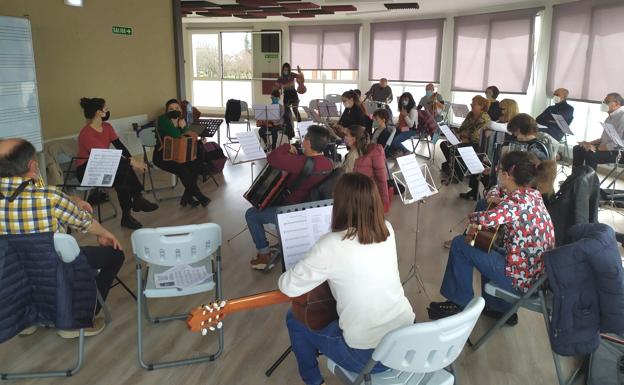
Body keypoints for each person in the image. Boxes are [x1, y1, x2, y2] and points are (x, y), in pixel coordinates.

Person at [279, 173, 414, 385]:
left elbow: (288, 287)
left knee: (294, 319)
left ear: (339, 204)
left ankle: (313, 380)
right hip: (407, 340)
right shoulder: (386, 229)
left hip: (369, 358)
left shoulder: (330, 244)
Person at [0, 138, 125, 337]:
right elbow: (84, 222)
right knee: (115, 255)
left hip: (14, 274)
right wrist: (105, 234)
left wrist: (72, 199)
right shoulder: (48, 198)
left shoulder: (43, 194)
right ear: (33, 166)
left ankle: (28, 318)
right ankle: (80, 319)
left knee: (23, 262)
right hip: (54, 266)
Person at [429, 151, 555, 324]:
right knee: (485, 245)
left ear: (506, 175)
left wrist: (473, 215)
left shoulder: (516, 202)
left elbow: (486, 218)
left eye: (499, 170)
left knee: (459, 244)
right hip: (534, 274)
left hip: (520, 279)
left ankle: (459, 304)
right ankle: (499, 308)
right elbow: (495, 192)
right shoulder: (532, 194)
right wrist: (497, 196)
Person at [245, 125, 333, 270]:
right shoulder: (328, 163)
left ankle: (264, 255)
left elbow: (272, 158)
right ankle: (283, 243)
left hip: (291, 211)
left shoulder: (301, 163)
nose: (303, 140)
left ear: (308, 143)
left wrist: (288, 146)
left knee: (251, 214)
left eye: (305, 138)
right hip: (311, 209)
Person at [76, 97, 158, 230]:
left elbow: (120, 146)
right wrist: (134, 163)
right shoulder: (86, 133)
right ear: (98, 113)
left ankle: (130, 211)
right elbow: (104, 156)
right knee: (123, 168)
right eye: (105, 108)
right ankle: (136, 200)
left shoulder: (107, 127)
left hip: (104, 165)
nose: (107, 110)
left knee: (123, 175)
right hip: (87, 170)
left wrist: (133, 160)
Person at [154, 99, 210, 207]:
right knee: (183, 169)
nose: (174, 110)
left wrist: (197, 139)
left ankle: (186, 197)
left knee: (195, 165)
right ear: (166, 111)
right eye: (171, 109)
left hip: (180, 153)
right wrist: (181, 127)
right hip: (163, 155)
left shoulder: (182, 119)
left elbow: (187, 137)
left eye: (176, 108)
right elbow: (177, 135)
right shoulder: (163, 120)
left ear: (180, 110)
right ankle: (199, 196)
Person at [441, 95, 491, 185]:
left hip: (476, 143)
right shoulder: (471, 114)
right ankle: (453, 168)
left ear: (481, 106)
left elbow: (476, 136)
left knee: (456, 149)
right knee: (444, 144)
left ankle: (457, 175)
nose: (471, 104)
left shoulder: (484, 118)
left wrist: (463, 138)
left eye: (474, 103)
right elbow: (463, 127)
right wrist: (458, 134)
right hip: (464, 139)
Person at [573, 92, 624, 170]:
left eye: (606, 102)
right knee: (578, 148)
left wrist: (597, 148)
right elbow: (603, 139)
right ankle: (575, 179)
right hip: (607, 148)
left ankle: (591, 181)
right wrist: (588, 143)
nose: (603, 104)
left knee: (590, 154)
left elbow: (619, 144)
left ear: (616, 104)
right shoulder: (609, 118)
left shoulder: (622, 117)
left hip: (618, 152)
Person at [342, 125, 389, 208]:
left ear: (354, 139)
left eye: (347, 135)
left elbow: (347, 175)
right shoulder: (361, 150)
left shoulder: (353, 155)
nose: (344, 138)